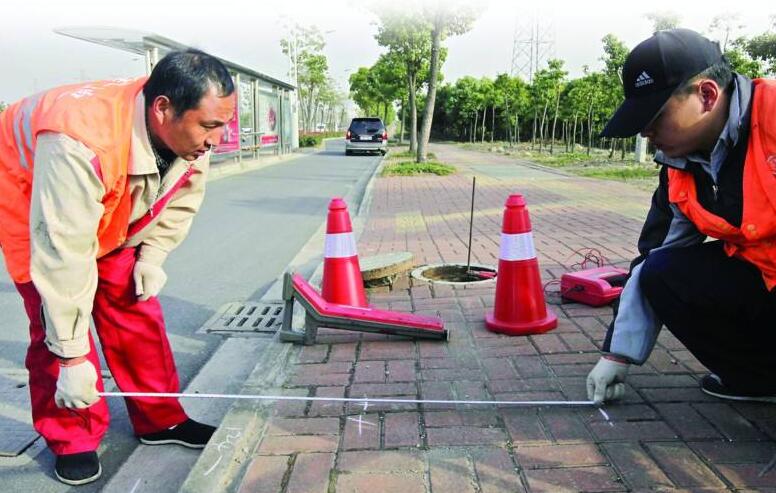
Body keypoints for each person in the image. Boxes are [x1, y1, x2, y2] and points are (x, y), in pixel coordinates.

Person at [0, 49, 236, 485]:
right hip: (34, 192)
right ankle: (73, 437)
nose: (217, 139)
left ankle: (160, 418)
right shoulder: (75, 139)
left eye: (224, 124)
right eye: (209, 126)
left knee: (135, 306)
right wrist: (71, 357)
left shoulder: (191, 133)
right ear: (163, 109)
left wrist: (153, 254)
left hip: (107, 193)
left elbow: (183, 193)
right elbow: (63, 250)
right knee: (55, 321)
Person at [586, 28, 776, 406]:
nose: (645, 131)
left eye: (655, 116)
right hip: (762, 281)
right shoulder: (678, 164)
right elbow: (654, 253)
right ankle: (760, 380)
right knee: (663, 272)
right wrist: (616, 353)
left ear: (706, 95)